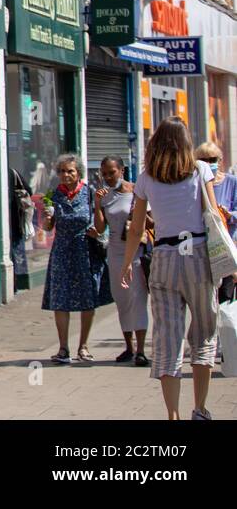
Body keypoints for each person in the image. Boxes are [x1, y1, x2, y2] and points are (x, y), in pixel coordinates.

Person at [122, 118, 226, 420]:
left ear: (155, 143)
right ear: (186, 143)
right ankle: (200, 408)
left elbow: (137, 227)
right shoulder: (201, 170)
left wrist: (127, 262)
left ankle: (172, 414)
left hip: (164, 256)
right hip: (196, 254)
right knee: (204, 332)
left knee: (168, 336)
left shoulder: (145, 178)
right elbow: (214, 213)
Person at [40, 154, 112, 363]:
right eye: (62, 171)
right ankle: (63, 348)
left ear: (78, 172)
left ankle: (84, 346)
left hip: (85, 249)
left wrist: (97, 231)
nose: (66, 175)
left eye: (70, 171)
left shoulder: (89, 193)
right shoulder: (53, 195)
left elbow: (101, 221)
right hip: (62, 249)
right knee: (60, 299)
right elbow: (48, 227)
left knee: (87, 298)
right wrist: (47, 219)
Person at [94, 155, 149, 366]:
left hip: (135, 251)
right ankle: (129, 347)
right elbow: (100, 228)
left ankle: (142, 350)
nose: (108, 177)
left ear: (122, 170)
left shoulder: (137, 191)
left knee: (138, 298)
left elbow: (152, 222)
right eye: (104, 174)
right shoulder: (104, 196)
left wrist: (139, 219)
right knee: (122, 299)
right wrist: (98, 204)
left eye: (112, 172)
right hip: (115, 252)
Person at [196, 141, 237, 304]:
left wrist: (229, 214)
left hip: (227, 245)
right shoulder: (195, 184)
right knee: (206, 298)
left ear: (220, 160)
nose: (208, 164)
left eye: (212, 159)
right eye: (203, 160)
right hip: (202, 247)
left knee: (225, 296)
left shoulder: (232, 182)